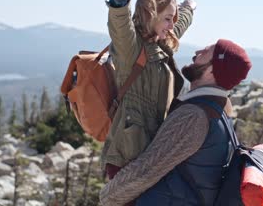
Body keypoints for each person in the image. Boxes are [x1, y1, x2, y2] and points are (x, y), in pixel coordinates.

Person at [99, 39, 252, 206]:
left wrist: (108, 196)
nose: (197, 52)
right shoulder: (219, 113)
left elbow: (148, 169)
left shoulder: (194, 116)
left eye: (205, 52)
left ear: (212, 71)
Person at [94, 0, 197, 180]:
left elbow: (179, 26)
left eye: (173, 19)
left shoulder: (160, 42)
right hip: (127, 159)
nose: (172, 25)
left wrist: (189, 8)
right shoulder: (130, 47)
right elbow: (120, 23)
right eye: (167, 19)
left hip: (152, 156)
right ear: (151, 15)